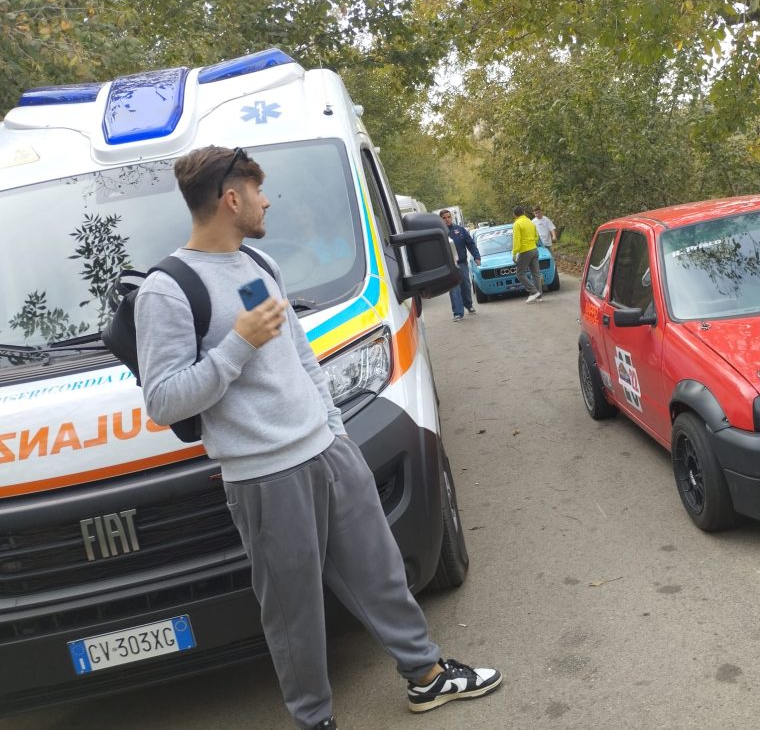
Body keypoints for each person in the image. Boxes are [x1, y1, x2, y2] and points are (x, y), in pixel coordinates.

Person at [134, 146, 501, 730]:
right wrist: (237, 344)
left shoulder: (254, 265)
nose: (267, 199)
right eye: (258, 191)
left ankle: (427, 677)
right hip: (263, 477)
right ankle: (314, 719)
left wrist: (334, 432)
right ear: (232, 199)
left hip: (325, 451)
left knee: (379, 573)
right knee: (293, 611)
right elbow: (163, 401)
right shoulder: (169, 291)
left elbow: (294, 354)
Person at [440, 208, 481, 321]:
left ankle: (468, 305)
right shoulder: (439, 233)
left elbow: (470, 244)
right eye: (444, 218)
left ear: (451, 218)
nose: (447, 220)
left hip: (462, 263)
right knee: (454, 289)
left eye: (448, 217)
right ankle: (457, 313)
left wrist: (477, 256)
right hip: (449, 266)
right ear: (441, 220)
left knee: (466, 286)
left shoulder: (460, 230)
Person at [511, 205, 543, 303]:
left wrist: (514, 253)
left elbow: (516, 239)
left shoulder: (517, 224)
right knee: (536, 274)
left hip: (525, 251)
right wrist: (531, 242)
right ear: (524, 213)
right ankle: (539, 296)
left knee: (520, 273)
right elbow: (537, 237)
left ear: (514, 215)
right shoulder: (531, 222)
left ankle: (533, 292)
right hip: (534, 249)